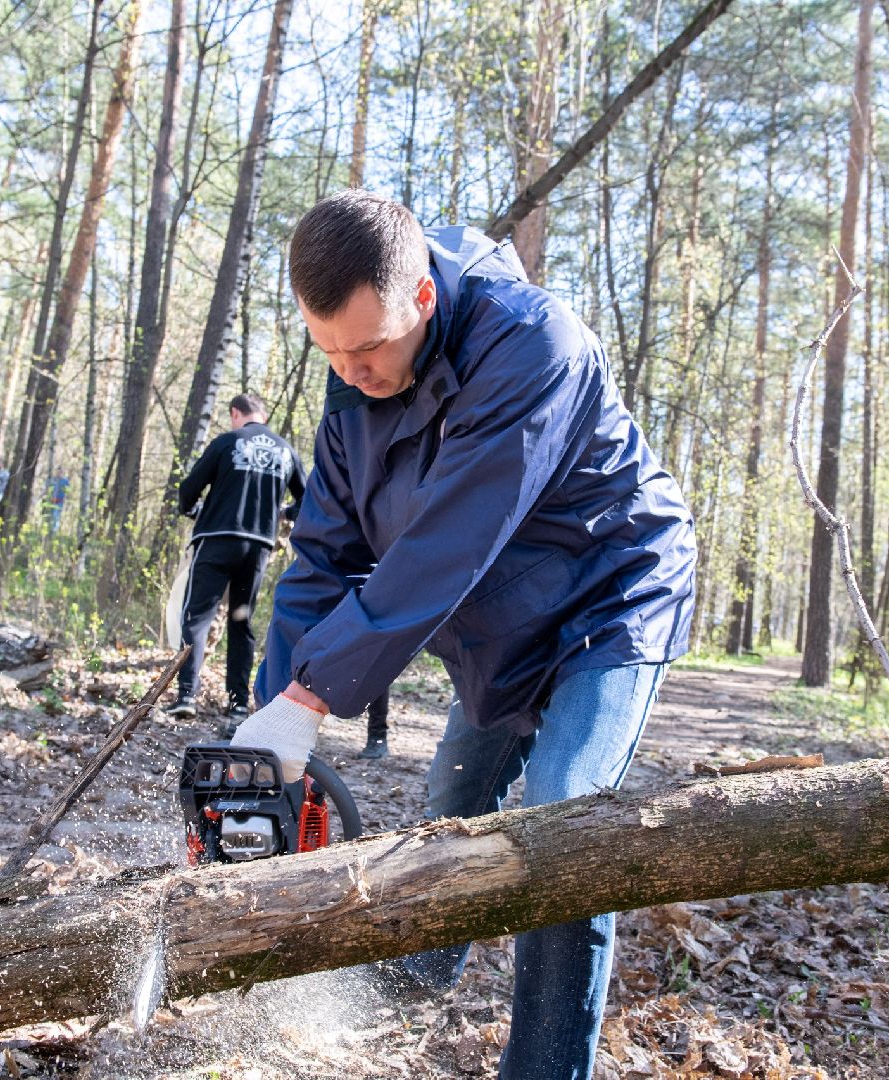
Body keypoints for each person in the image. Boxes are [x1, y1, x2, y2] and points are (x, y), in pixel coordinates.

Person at [233, 190, 696, 1080]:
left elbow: (451, 539)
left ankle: (545, 1068)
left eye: (366, 347)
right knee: (451, 804)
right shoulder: (352, 383)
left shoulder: (535, 344)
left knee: (565, 820)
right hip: (495, 618)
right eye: (326, 349)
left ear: (422, 299)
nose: (350, 371)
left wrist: (313, 694)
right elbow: (324, 558)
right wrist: (273, 721)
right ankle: (411, 977)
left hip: (608, 594)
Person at [166, 392, 304, 729]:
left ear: (235, 414)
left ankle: (186, 697)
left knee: (197, 617)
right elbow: (310, 497)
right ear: (263, 415)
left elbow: (190, 486)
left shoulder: (228, 441)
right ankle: (238, 704)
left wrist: (189, 509)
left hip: (215, 540)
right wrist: (285, 512)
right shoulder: (285, 450)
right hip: (256, 547)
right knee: (241, 622)